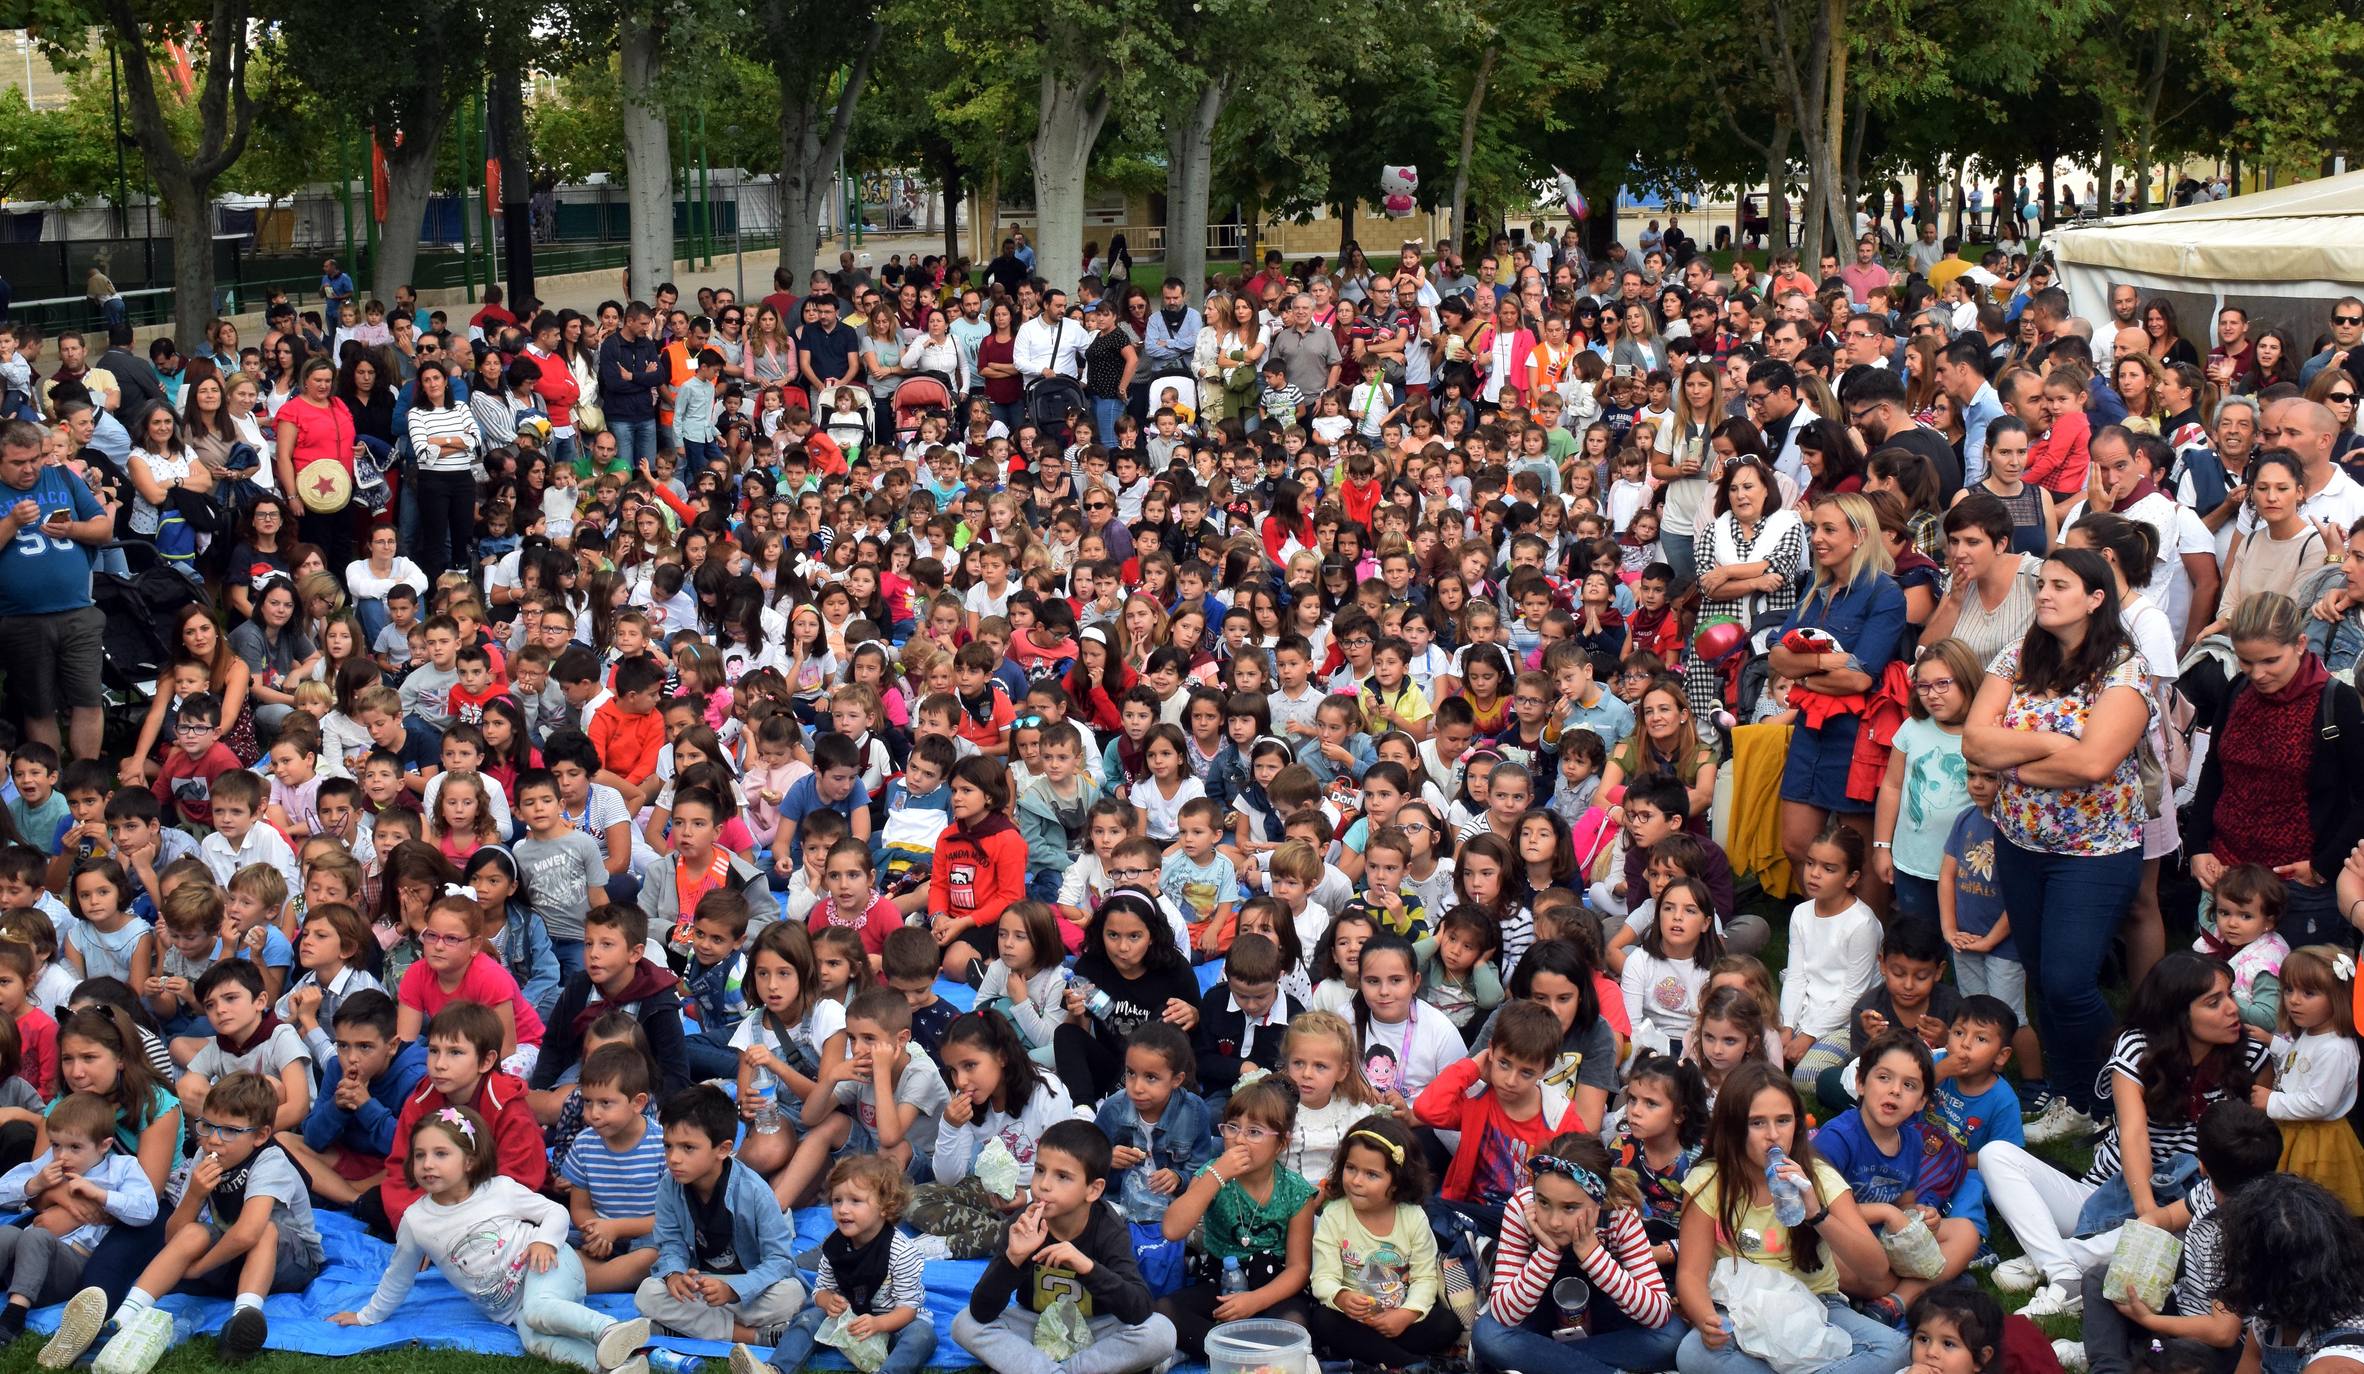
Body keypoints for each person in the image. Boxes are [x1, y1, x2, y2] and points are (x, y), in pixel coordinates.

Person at [1962, 545, 2153, 1148]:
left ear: (2096, 599)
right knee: (2044, 979)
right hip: (2019, 842)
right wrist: (2052, 744)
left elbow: (2096, 763)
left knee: (2071, 982)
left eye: (2060, 586)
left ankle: (2131, 1091)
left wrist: (2014, 757)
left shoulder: (2125, 668)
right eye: (2042, 584)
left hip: (2094, 851)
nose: (2043, 594)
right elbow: (1974, 741)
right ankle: (2075, 1100)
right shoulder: (2016, 656)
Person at [0, 420, 113, 761]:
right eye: (18, 463)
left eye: (35, 458)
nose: (30, 468)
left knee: (88, 699)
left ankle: (87, 785)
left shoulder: (62, 476)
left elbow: (103, 529)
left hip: (78, 609)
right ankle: (52, 789)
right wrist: (11, 523)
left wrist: (72, 528)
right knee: (39, 707)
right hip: (22, 618)